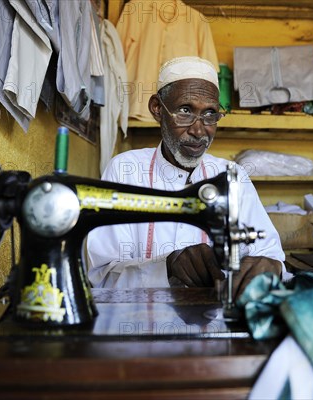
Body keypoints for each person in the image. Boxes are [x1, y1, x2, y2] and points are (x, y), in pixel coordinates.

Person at [86, 56, 285, 297]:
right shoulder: (125, 171)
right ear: (157, 109)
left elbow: (270, 255)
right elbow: (101, 277)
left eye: (210, 114)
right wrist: (165, 267)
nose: (199, 130)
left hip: (213, 327)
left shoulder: (232, 176)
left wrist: (271, 267)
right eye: (185, 111)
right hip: (141, 326)